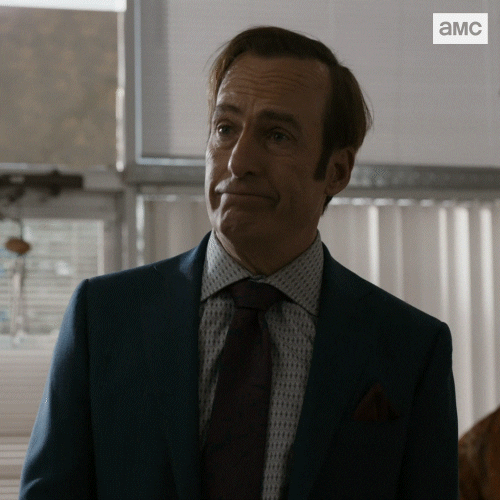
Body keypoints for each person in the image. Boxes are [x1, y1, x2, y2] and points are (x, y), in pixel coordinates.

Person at [19, 26, 458, 499]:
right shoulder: (104, 317)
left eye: (277, 135)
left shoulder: (410, 348)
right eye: (225, 129)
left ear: (336, 171)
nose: (238, 161)